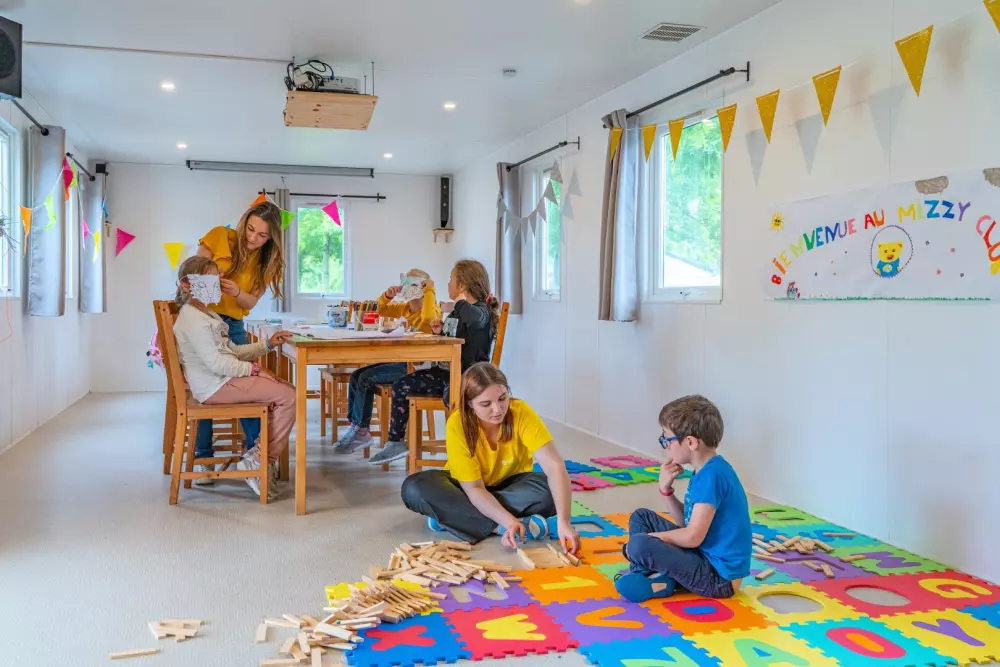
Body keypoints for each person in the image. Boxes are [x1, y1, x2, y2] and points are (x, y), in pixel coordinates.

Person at [401, 363, 581, 552]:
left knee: (551, 492)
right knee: (414, 488)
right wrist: (508, 522)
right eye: (486, 404)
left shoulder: (521, 412)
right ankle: (497, 527)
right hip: (466, 488)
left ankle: (453, 518)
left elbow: (554, 466)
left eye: (502, 398)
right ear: (469, 403)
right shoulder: (458, 423)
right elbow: (475, 489)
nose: (498, 409)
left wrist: (564, 521)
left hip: (510, 486)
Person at [172, 255, 295, 502]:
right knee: (289, 396)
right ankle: (259, 460)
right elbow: (217, 363)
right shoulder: (193, 319)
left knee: (286, 390)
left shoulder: (207, 315)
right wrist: (255, 370)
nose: (218, 281)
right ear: (187, 284)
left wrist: (267, 345)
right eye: (210, 277)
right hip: (215, 386)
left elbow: (233, 351)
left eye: (218, 276)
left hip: (222, 381)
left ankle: (258, 457)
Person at [615, 395, 751, 602]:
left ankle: (653, 577)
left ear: (690, 442)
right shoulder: (705, 471)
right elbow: (686, 524)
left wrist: (651, 540)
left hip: (718, 579)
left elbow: (692, 537)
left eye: (667, 440)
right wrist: (666, 490)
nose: (666, 446)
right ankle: (649, 575)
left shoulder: (712, 476)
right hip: (702, 556)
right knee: (641, 517)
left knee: (638, 545)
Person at [369, 259, 498, 466]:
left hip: (469, 377)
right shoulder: (457, 311)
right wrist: (440, 331)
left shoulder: (480, 310)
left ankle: (468, 450)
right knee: (401, 385)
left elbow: (475, 320)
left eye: (451, 280)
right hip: (446, 373)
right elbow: (453, 334)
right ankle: (396, 442)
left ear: (462, 285)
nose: (448, 284)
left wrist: (460, 302)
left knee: (451, 397)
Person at [191, 201, 285, 483]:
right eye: (251, 229)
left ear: (271, 239)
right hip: (203, 319)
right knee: (206, 384)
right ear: (244, 221)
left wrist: (236, 292)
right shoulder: (220, 236)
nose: (253, 238)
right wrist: (211, 279)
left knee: (251, 386)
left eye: (262, 235)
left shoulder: (266, 261)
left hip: (233, 325)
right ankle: (203, 458)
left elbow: (250, 302)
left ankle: (256, 457)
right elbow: (193, 280)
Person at [334, 269, 441, 454]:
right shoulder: (404, 308)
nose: (406, 287)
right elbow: (376, 310)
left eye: (413, 284)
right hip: (401, 361)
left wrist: (430, 291)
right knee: (357, 375)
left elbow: (428, 319)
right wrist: (387, 296)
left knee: (366, 378)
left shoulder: (432, 310)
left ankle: (362, 431)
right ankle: (356, 426)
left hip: (416, 368)